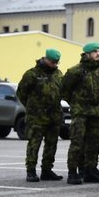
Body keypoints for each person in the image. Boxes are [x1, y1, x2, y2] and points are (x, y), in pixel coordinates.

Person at [61, 42, 99, 185]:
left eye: (98, 52)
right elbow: (64, 90)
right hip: (81, 113)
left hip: (97, 113)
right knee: (77, 143)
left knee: (94, 143)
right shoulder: (75, 71)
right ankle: (72, 172)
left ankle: (90, 170)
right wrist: (76, 103)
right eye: (95, 52)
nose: (98, 54)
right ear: (87, 54)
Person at [17, 48, 64, 182]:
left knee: (51, 144)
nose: (55, 65)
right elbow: (21, 93)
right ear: (45, 59)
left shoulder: (58, 74)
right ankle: (31, 171)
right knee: (34, 144)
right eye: (53, 62)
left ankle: (47, 170)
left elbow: (62, 91)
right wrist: (32, 107)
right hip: (36, 117)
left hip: (54, 116)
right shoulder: (32, 74)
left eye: (56, 62)